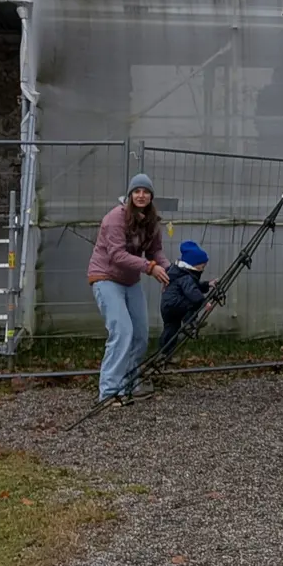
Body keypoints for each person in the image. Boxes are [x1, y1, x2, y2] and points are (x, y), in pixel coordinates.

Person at [90, 172, 167, 401]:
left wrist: (169, 271)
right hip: (105, 277)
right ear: (130, 194)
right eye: (137, 191)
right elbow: (117, 255)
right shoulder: (115, 218)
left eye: (145, 192)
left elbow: (156, 251)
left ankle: (130, 383)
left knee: (140, 334)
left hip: (130, 280)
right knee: (122, 331)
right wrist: (150, 267)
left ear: (151, 196)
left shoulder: (151, 221)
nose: (141, 195)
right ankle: (110, 392)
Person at [158, 240, 214, 357]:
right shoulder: (186, 277)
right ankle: (190, 322)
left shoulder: (180, 273)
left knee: (171, 329)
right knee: (193, 302)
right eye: (202, 266)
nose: (203, 268)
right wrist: (204, 302)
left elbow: (195, 286)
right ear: (194, 265)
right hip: (175, 304)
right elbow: (192, 291)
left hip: (167, 306)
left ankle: (164, 352)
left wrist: (207, 284)